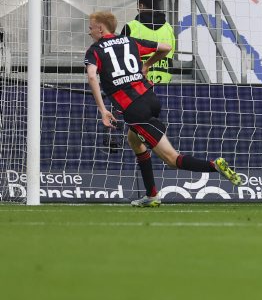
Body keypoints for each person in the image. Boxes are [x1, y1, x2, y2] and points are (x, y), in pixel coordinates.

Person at [84, 11, 240, 207]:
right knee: (134, 140)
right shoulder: (129, 41)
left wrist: (102, 110)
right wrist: (147, 65)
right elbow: (166, 48)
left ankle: (214, 165)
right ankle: (151, 195)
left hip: (134, 109)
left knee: (171, 159)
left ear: (100, 28)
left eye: (91, 28)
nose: (89, 32)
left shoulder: (94, 50)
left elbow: (92, 76)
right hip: (150, 99)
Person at [120, 0, 176, 85]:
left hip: (138, 83)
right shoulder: (169, 28)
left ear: (141, 6)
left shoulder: (131, 27)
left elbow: (121, 55)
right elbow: (172, 52)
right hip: (164, 83)